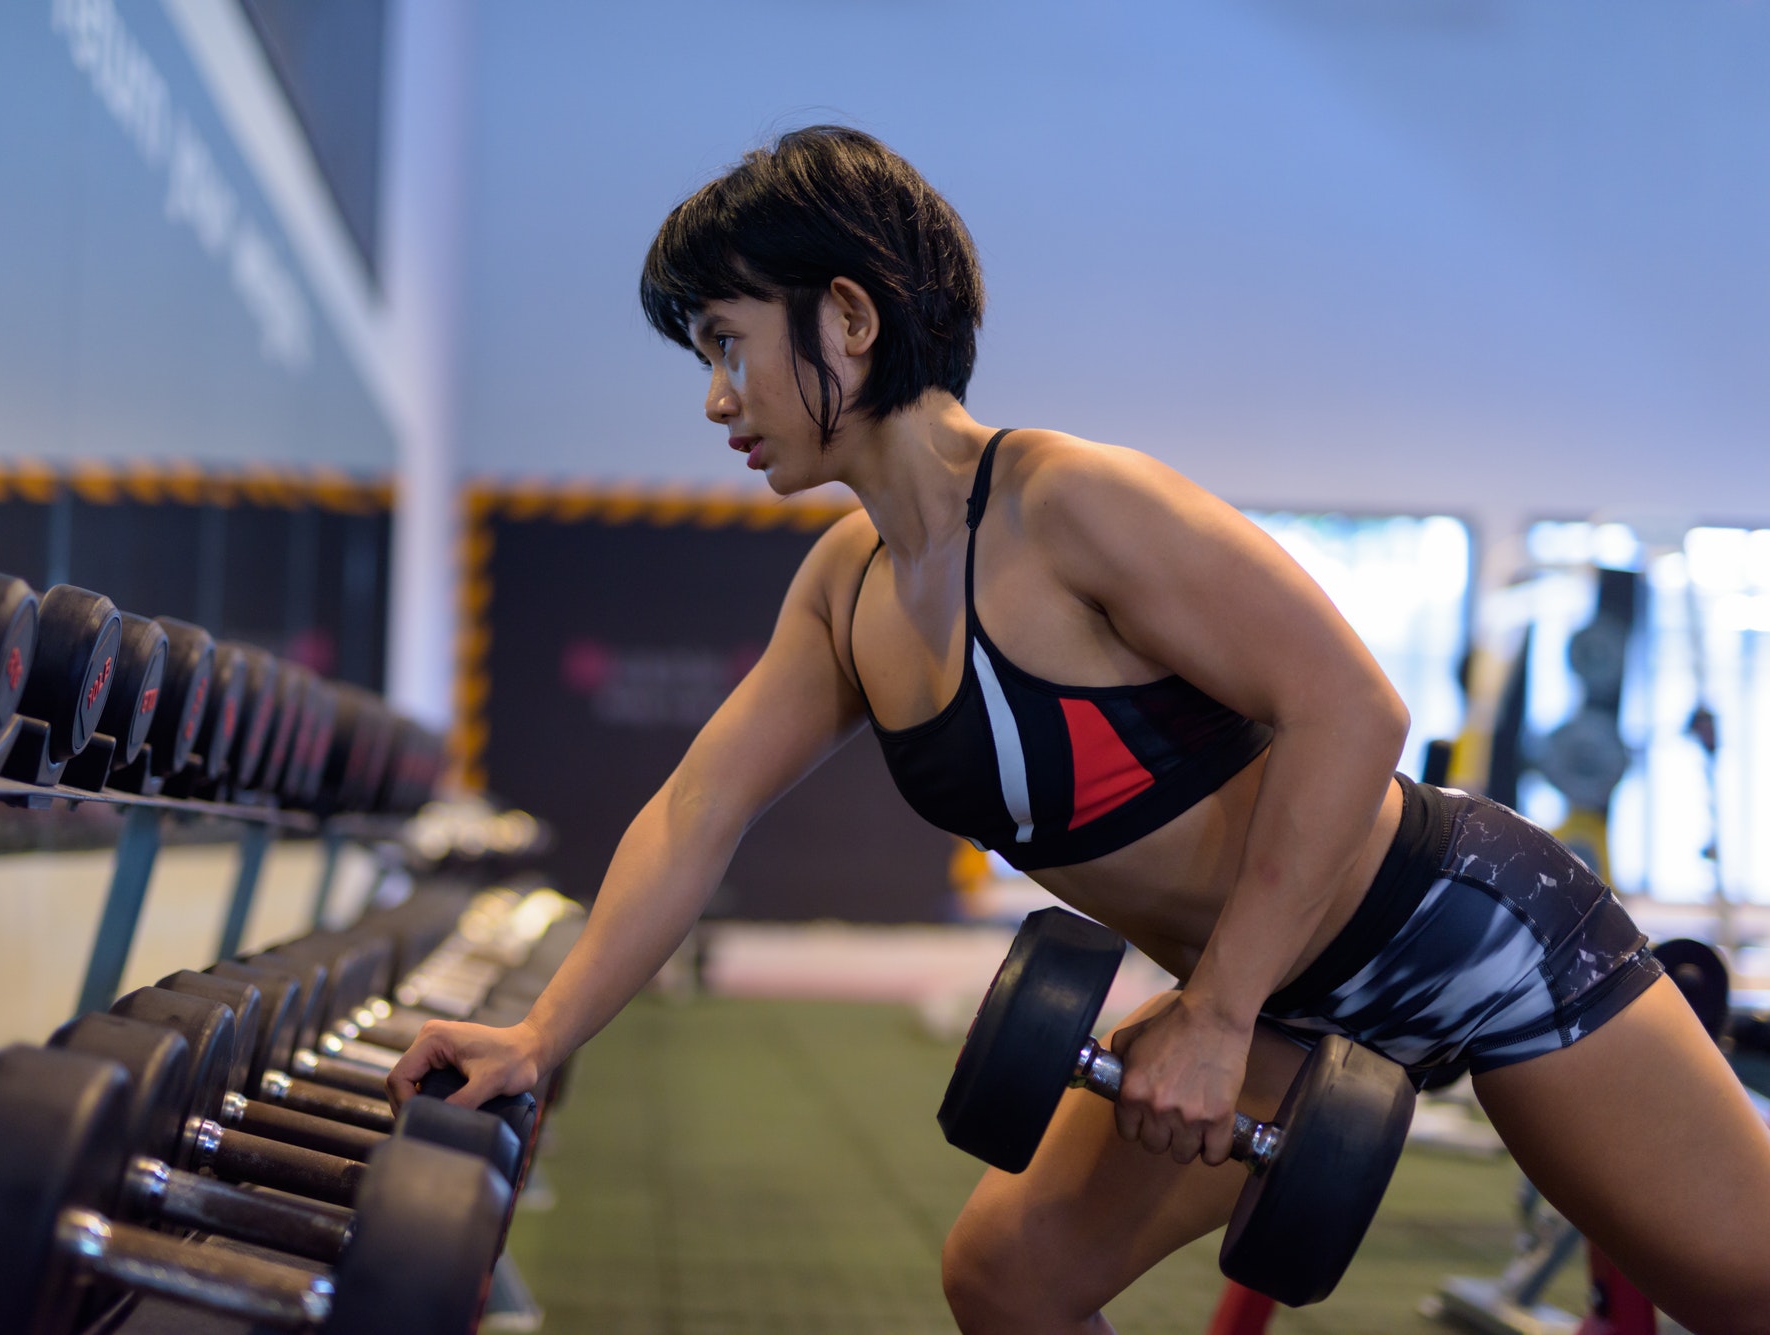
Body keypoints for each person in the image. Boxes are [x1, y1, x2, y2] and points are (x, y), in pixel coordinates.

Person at [388, 126, 1770, 1333]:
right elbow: (698, 813)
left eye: (727, 345)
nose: (715, 401)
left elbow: (1354, 706)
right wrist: (541, 1036)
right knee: (1010, 1277)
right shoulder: (845, 594)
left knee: (1745, 1294)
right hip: (1282, 999)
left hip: (1469, 929)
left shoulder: (1072, 503)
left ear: (849, 320)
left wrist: (1217, 1017)